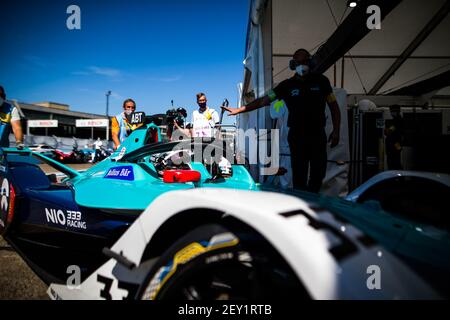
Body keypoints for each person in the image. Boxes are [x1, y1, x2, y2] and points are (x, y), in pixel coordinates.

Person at [222, 48, 341, 193]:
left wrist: (336, 131)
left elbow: (334, 106)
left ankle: (312, 199)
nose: (301, 65)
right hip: (297, 137)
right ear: (293, 65)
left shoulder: (322, 81)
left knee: (319, 173)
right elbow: (263, 101)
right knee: (299, 176)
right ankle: (302, 201)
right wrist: (239, 110)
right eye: (298, 63)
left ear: (310, 62)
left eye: (304, 62)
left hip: (317, 135)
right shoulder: (286, 86)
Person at [384, 105, 403, 170]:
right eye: (391, 111)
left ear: (397, 111)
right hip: (396, 145)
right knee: (395, 163)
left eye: (392, 111)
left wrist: (387, 130)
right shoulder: (396, 120)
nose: (391, 113)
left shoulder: (397, 121)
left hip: (394, 145)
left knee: (394, 163)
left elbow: (388, 132)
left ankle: (398, 178)